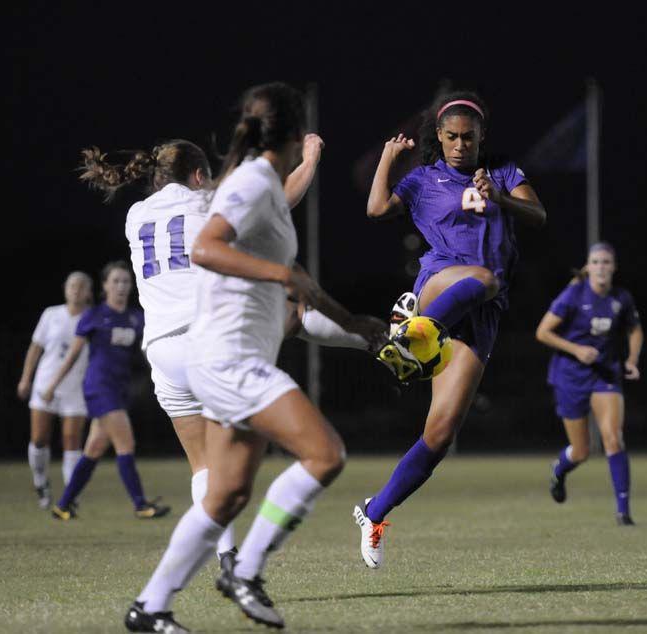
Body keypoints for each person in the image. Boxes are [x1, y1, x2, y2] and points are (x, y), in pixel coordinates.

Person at [124, 81, 386, 633]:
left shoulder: (246, 187)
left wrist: (355, 325)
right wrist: (284, 275)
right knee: (324, 454)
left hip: (190, 352)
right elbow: (206, 247)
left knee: (224, 494)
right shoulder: (248, 183)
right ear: (293, 136)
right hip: (226, 358)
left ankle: (149, 607)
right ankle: (245, 569)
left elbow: (296, 290)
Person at [79, 135, 376, 571]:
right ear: (199, 175)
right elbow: (281, 199)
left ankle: (224, 556)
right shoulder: (206, 203)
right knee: (291, 311)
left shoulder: (134, 214)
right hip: (207, 342)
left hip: (162, 352)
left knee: (202, 465)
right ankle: (379, 341)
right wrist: (311, 157)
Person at [353, 89, 547, 569]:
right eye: (452, 137)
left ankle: (373, 513)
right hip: (441, 283)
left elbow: (539, 214)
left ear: (482, 137)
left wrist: (498, 197)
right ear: (438, 137)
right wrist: (387, 158)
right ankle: (411, 335)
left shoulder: (501, 172)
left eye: (469, 137)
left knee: (439, 436)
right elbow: (376, 211)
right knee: (483, 277)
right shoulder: (422, 178)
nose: (461, 145)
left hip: (481, 313)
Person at [42, 261, 170, 520]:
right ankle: (140, 504)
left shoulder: (136, 317)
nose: (121, 286)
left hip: (120, 389)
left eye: (126, 281)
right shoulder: (94, 316)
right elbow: (73, 355)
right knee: (126, 443)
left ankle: (63, 505)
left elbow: (150, 352)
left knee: (94, 449)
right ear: (104, 286)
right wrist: (52, 385)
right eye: (116, 281)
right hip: (99, 388)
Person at [536, 242, 642, 525]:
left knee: (613, 438)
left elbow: (635, 330)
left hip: (605, 375)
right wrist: (576, 350)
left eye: (606, 262)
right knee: (581, 451)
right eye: (596, 262)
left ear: (614, 267)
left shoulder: (621, 298)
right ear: (588, 267)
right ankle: (559, 469)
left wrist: (631, 360)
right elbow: (543, 332)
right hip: (570, 376)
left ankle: (623, 512)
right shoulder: (573, 294)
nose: (601, 267)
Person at [17, 271, 93, 509]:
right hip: (45, 384)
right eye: (72, 285)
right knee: (39, 439)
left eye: (81, 286)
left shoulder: (92, 318)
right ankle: (41, 481)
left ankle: (70, 495)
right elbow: (35, 349)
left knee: (72, 441)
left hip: (76, 387)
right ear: (65, 288)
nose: (76, 290)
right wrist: (25, 379)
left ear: (88, 292)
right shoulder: (51, 314)